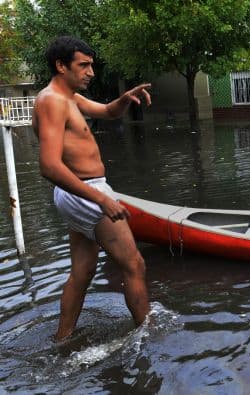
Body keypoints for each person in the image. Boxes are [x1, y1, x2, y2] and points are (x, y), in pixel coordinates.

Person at [32, 36, 151, 340]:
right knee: (134, 263)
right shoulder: (52, 101)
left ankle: (62, 339)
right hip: (85, 192)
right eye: (83, 65)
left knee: (82, 272)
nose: (91, 72)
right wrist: (101, 199)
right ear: (61, 66)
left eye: (91, 65)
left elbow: (108, 112)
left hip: (81, 192)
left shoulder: (69, 97)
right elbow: (49, 165)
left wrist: (125, 98)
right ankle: (148, 334)